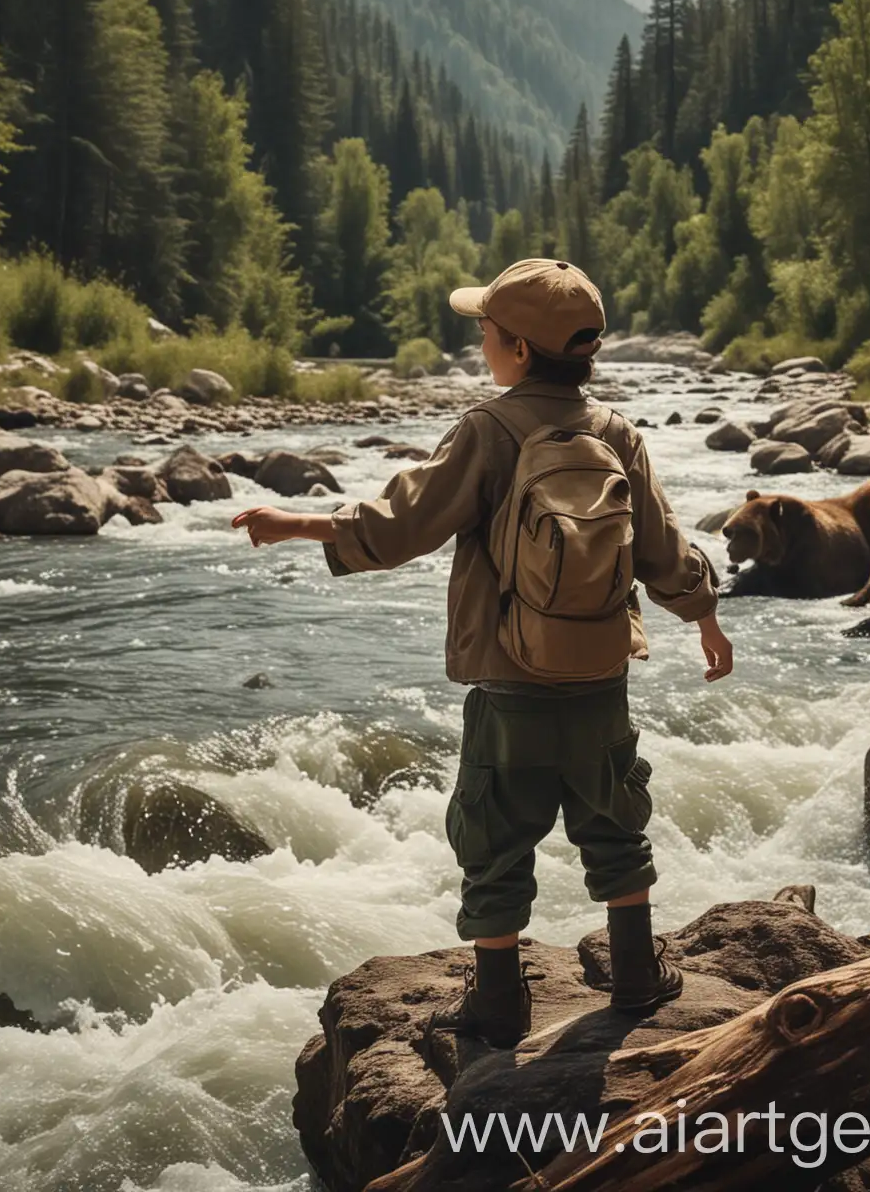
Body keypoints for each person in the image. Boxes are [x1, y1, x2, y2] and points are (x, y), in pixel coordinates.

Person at [233, 258, 733, 1047]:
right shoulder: (618, 433)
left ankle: (499, 998)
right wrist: (705, 615)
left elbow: (405, 520)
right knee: (615, 814)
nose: (480, 342)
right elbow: (663, 550)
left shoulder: (488, 430)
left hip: (509, 677)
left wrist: (298, 524)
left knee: (493, 831)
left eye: (487, 333)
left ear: (522, 352)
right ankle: (637, 972)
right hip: (601, 671)